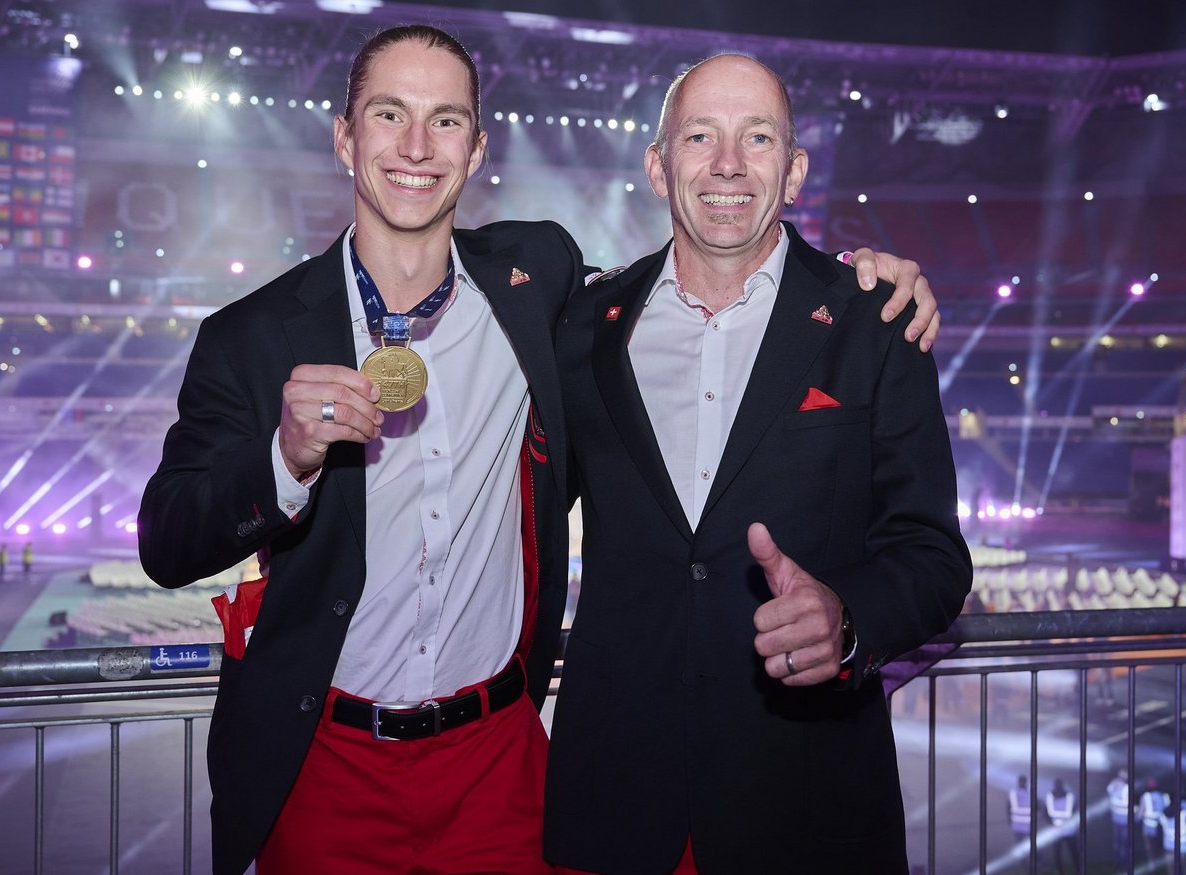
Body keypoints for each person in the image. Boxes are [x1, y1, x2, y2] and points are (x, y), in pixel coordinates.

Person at [138, 26, 939, 875]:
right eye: (389, 114)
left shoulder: (538, 285)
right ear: (344, 137)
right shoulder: (251, 336)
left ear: (477, 149)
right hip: (328, 763)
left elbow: (920, 540)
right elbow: (168, 540)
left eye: (447, 120)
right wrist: (285, 459)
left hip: (500, 768)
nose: (417, 146)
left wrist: (864, 272)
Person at [545, 53, 972, 873]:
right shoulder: (583, 327)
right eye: (700, 136)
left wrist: (848, 619)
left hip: (808, 804)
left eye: (758, 137)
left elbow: (932, 554)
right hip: (617, 802)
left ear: (794, 171)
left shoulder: (876, 321)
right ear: (658, 167)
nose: (729, 164)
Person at [1044, 777, 1079, 874]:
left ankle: (1077, 870)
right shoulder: (1050, 797)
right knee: (1059, 853)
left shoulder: (1069, 797)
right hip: (1059, 831)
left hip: (1067, 830)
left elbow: (1074, 811)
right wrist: (1051, 824)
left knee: (1072, 852)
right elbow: (1045, 813)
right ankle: (1061, 871)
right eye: (1057, 786)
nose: (1058, 788)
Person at [1139, 778, 1170, 867]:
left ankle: (1152, 863)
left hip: (1148, 825)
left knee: (1150, 846)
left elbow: (1141, 812)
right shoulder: (1164, 796)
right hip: (1161, 825)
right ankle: (1163, 863)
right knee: (1160, 845)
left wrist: (1137, 817)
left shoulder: (1145, 797)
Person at [1108, 769, 1133, 873]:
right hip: (1121, 819)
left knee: (1121, 842)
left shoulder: (1118, 786)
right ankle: (1121, 864)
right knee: (1121, 843)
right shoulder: (1123, 787)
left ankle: (1121, 864)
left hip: (1120, 819)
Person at [1009, 774, 1033, 843]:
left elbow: (1008, 809)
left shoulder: (1013, 794)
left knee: (1019, 843)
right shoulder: (1030, 794)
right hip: (1027, 825)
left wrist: (1010, 821)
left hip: (1017, 824)